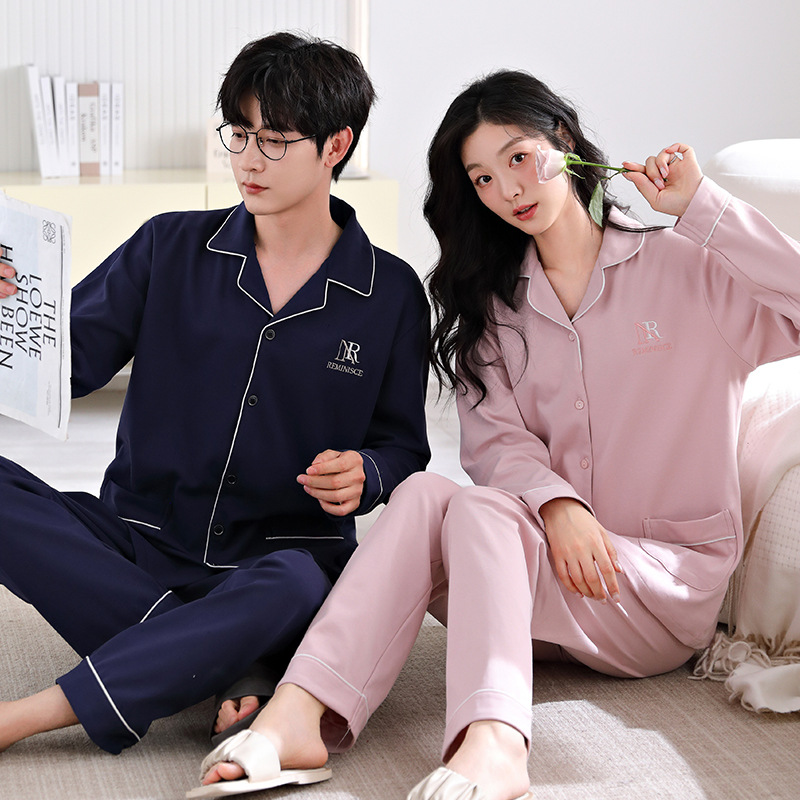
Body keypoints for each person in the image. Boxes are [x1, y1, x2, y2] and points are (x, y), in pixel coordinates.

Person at [189, 70, 800, 800]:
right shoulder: (495, 306)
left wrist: (702, 206)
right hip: (530, 585)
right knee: (424, 494)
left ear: (563, 141)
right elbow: (494, 442)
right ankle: (299, 714)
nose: (508, 190)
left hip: (658, 589)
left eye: (518, 158)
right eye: (482, 178)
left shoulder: (688, 268)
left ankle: (496, 743)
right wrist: (557, 505)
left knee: (478, 508)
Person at [0, 32, 430, 756]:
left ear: (336, 146)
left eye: (275, 141)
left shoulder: (389, 293)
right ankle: (231, 658)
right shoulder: (166, 247)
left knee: (297, 586)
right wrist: (13, 311)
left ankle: (31, 714)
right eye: (239, 134)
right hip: (140, 542)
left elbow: (403, 446)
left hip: (278, 562)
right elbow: (61, 370)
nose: (248, 161)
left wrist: (369, 472)